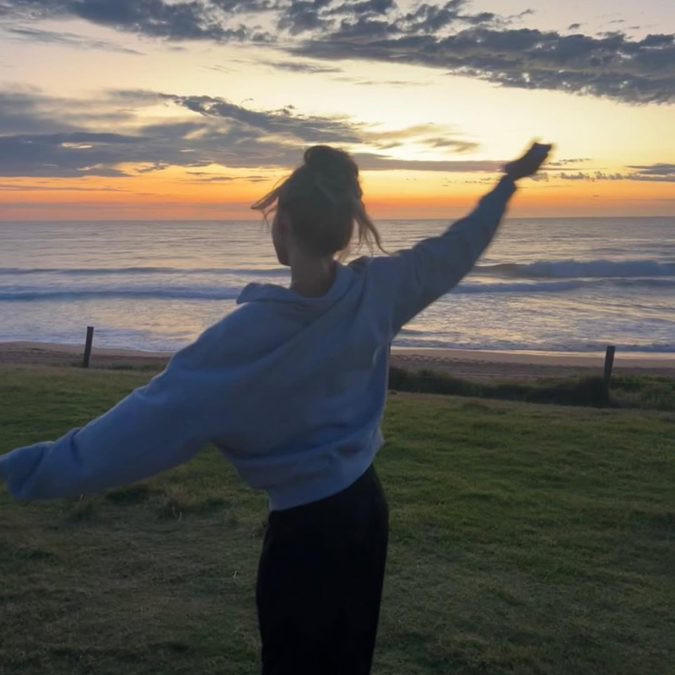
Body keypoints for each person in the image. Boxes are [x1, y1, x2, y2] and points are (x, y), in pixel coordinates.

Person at [0, 141, 551, 674]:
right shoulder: (380, 290)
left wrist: (24, 470)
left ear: (282, 226)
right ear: (345, 228)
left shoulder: (236, 342)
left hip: (306, 534)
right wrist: (507, 183)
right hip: (366, 510)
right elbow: (457, 248)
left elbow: (129, 433)